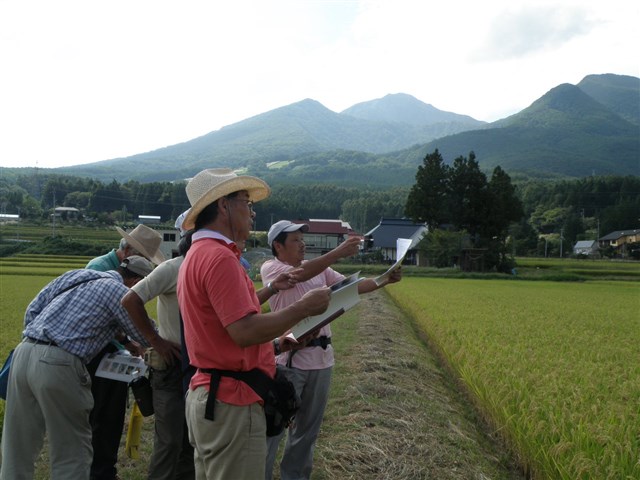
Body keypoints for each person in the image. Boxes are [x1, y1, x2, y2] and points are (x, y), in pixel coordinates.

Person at [176, 168, 331, 479]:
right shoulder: (220, 259)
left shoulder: (198, 254)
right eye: (246, 202)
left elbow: (221, 332)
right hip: (232, 402)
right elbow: (244, 331)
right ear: (223, 206)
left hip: (208, 395)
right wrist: (303, 307)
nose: (252, 211)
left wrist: (273, 343)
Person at [261, 220, 403, 480]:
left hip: (322, 360)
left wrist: (385, 279)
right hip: (290, 361)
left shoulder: (320, 271)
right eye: (295, 240)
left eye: (302, 239)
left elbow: (354, 287)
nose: (302, 244)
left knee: (306, 432)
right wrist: (337, 252)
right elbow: (298, 276)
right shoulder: (272, 269)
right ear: (278, 246)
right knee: (274, 428)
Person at [0, 256, 155, 480]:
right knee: (71, 448)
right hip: (60, 363)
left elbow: (32, 311)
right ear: (136, 281)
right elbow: (144, 333)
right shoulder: (119, 292)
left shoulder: (76, 275)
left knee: (18, 444)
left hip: (24, 353)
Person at [86, 223, 166, 480]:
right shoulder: (98, 269)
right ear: (128, 249)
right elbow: (96, 318)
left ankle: (104, 469)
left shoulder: (121, 269)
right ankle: (97, 470)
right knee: (100, 416)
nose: (142, 262)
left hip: (115, 357)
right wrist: (134, 340)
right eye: (142, 256)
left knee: (112, 414)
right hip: (97, 357)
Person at [121, 214, 195, 480]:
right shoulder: (173, 268)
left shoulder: (212, 267)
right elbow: (131, 300)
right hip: (173, 364)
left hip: (200, 367)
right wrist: (155, 340)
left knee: (191, 441)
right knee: (171, 441)